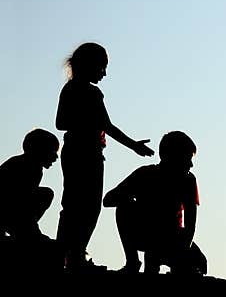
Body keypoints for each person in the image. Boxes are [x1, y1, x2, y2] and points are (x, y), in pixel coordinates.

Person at [55, 42, 153, 271]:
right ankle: (73, 256)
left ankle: (69, 254)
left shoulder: (71, 89)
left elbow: (65, 123)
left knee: (74, 205)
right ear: (90, 65)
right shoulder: (87, 92)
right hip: (86, 153)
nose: (104, 73)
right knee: (85, 207)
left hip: (77, 152)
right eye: (102, 67)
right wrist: (133, 146)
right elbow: (101, 125)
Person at [102, 131, 207, 275]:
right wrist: (131, 200)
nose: (190, 165)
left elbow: (190, 226)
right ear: (170, 157)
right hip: (146, 235)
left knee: (199, 262)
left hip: (174, 240)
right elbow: (108, 200)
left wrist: (182, 253)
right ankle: (132, 261)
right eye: (186, 159)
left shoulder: (188, 181)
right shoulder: (145, 174)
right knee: (124, 208)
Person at [0, 129, 62, 269]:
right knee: (46, 194)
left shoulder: (26, 164)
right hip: (8, 213)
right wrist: (33, 234)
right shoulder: (28, 167)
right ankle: (24, 235)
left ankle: (24, 233)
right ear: (40, 150)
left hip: (9, 215)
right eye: (53, 151)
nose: (55, 157)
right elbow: (20, 205)